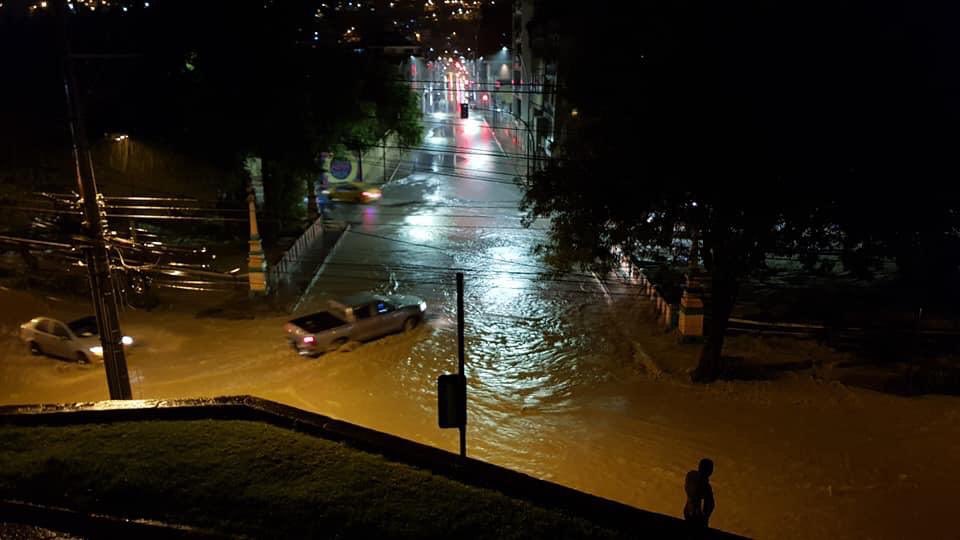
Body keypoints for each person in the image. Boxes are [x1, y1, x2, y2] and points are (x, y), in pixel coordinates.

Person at [684, 458, 715, 532]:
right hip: (694, 515)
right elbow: (710, 505)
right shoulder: (705, 486)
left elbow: (710, 505)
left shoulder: (691, 475)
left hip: (690, 512)